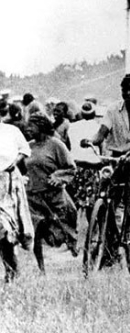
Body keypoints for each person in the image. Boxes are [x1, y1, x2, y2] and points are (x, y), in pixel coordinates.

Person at [81, 73, 130, 234]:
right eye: (124, 90)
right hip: (116, 157)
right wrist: (90, 140)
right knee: (104, 190)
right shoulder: (113, 109)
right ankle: (108, 234)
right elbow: (101, 134)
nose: (128, 93)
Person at [25, 114, 79, 272]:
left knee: (61, 229)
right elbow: (21, 166)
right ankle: (41, 268)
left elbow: (71, 168)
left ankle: (71, 243)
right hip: (33, 196)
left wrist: (58, 177)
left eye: (31, 126)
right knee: (36, 231)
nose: (28, 129)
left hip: (53, 196)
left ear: (41, 126)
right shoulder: (28, 146)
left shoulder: (56, 145)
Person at [0, 100, 34, 282]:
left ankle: (12, 271)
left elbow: (25, 149)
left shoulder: (11, 131)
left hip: (8, 183)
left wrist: (14, 162)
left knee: (7, 228)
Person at [67, 101, 103, 219]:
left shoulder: (72, 127)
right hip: (92, 167)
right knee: (91, 204)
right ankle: (92, 227)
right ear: (94, 114)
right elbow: (103, 148)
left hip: (76, 166)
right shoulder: (98, 127)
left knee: (73, 201)